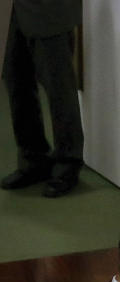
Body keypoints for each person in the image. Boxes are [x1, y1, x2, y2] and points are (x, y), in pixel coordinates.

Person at [1, 0, 85, 197]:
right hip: (10, 10)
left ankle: (68, 163)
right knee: (16, 81)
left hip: (49, 9)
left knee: (59, 87)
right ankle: (33, 159)